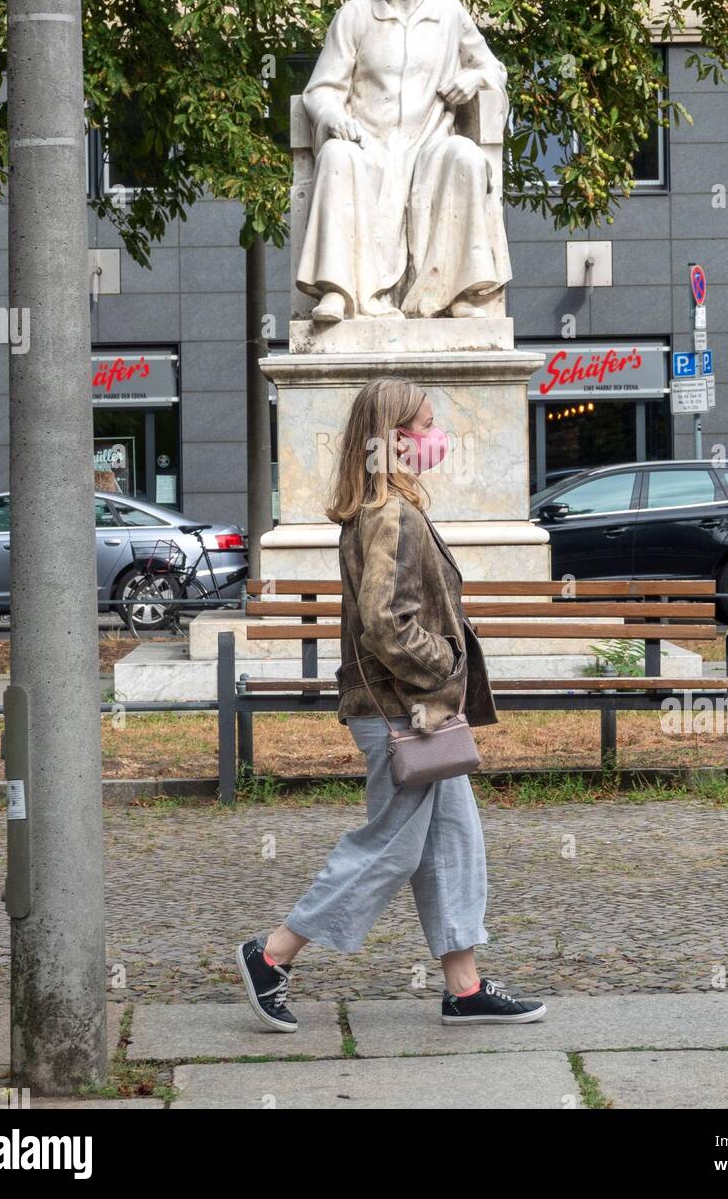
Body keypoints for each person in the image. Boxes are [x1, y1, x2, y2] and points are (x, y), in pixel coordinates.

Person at [236, 377, 546, 1029]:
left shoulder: (388, 507)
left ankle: (464, 990)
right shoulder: (389, 514)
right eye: (427, 425)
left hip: (414, 706)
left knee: (453, 840)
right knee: (391, 846)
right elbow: (385, 621)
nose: (439, 439)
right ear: (394, 438)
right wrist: (447, 663)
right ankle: (272, 955)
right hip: (402, 708)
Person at [293, 0, 513, 322]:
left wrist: (473, 78)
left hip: (428, 146)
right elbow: (321, 89)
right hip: (368, 148)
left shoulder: (449, 14)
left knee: (465, 157)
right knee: (337, 157)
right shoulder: (355, 15)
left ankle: (459, 293)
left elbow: (495, 70)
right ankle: (339, 292)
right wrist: (333, 117)